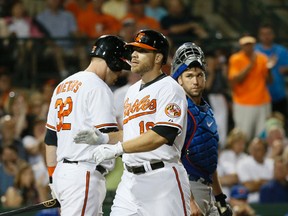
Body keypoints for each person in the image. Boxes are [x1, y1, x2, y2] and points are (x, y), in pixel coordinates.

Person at [74, 29, 191, 215]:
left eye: (142, 51)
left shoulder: (170, 88)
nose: (134, 55)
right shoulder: (132, 90)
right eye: (133, 50)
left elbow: (162, 134)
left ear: (158, 57)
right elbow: (131, 133)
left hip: (161, 179)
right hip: (129, 181)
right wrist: (103, 138)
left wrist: (118, 149)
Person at [44, 35, 130, 216]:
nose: (120, 74)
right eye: (120, 67)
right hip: (83, 175)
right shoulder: (98, 87)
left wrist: (52, 178)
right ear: (113, 62)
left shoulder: (61, 86)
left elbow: (50, 139)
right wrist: (139, 131)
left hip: (63, 174)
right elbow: (109, 137)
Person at [171, 42, 232, 216]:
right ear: (179, 79)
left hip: (207, 190)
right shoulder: (178, 110)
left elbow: (209, 159)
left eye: (199, 75)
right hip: (187, 188)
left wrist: (220, 198)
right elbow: (173, 158)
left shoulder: (206, 110)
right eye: (189, 76)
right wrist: (188, 200)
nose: (196, 81)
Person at [228, 35, 272, 141]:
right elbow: (234, 80)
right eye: (245, 45)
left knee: (262, 134)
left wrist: (269, 69)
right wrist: (250, 65)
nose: (248, 47)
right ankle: (241, 156)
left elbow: (269, 81)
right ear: (241, 46)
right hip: (243, 102)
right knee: (243, 134)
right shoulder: (236, 59)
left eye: (250, 44)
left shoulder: (262, 58)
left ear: (254, 45)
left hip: (262, 101)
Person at [255, 23, 288, 127]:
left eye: (268, 33)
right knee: (262, 126)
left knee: (280, 125)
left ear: (273, 35)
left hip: (279, 95)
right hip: (259, 97)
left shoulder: (282, 51)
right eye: (263, 34)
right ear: (259, 36)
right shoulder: (254, 52)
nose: (266, 37)